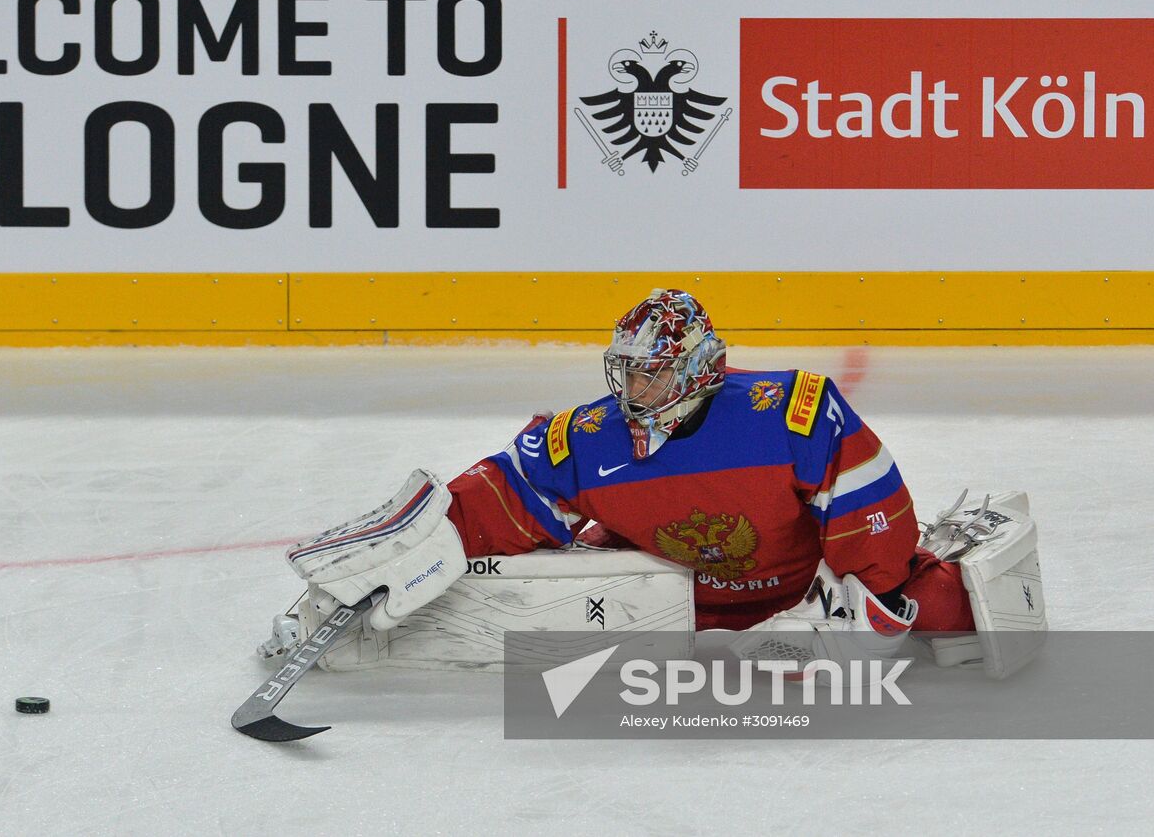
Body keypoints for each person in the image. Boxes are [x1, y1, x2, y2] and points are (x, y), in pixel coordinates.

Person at [266, 289, 1045, 677]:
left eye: (654, 371)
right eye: (626, 371)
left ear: (701, 366)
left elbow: (873, 507)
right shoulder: (588, 435)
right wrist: (427, 534)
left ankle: (954, 572)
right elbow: (502, 498)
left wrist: (855, 613)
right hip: (674, 599)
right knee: (507, 577)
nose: (634, 389)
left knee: (947, 611)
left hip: (799, 591)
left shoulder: (793, 412)